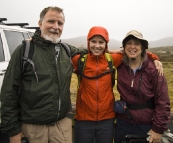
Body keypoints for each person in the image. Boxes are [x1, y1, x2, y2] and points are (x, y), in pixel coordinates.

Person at [0, 6, 87, 143]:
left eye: (60, 23)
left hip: (61, 125)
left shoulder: (65, 49)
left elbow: (88, 51)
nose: (56, 26)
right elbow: (8, 91)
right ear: (40, 23)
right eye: (51, 21)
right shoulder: (24, 51)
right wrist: (13, 130)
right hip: (33, 127)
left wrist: (116, 53)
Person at [71, 26, 162, 143]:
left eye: (101, 42)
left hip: (107, 119)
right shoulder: (79, 60)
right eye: (93, 41)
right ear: (88, 43)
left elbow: (135, 51)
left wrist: (154, 58)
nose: (97, 45)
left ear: (106, 44)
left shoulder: (113, 59)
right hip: (83, 119)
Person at [114, 30, 170, 143]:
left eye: (137, 43)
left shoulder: (154, 69)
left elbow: (163, 101)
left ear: (143, 47)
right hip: (123, 122)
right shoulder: (120, 64)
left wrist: (158, 129)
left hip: (146, 125)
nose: (132, 47)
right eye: (129, 43)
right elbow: (100, 50)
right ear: (124, 47)